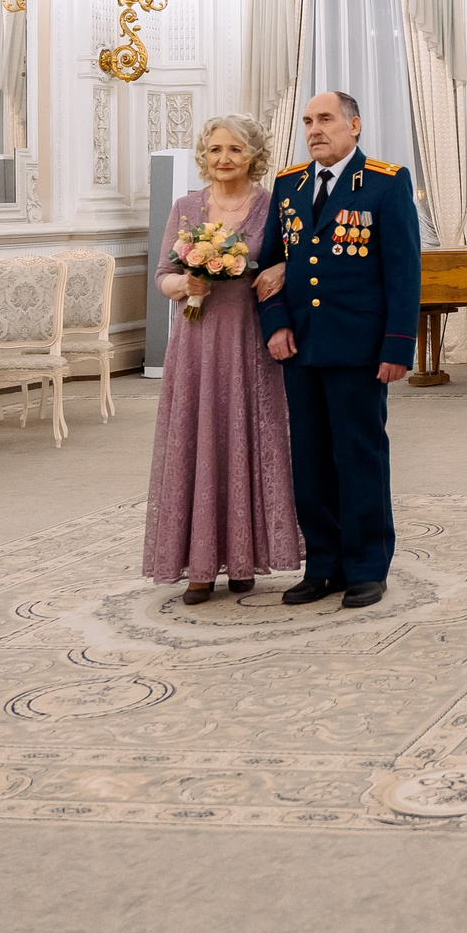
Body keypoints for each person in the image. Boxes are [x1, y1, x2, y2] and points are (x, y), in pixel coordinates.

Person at [252, 92, 421, 609]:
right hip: (300, 347)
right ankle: (323, 565)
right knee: (309, 460)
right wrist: (275, 326)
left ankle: (368, 565)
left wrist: (398, 345)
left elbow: (403, 270)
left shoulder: (387, 183)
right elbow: (268, 266)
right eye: (308, 121)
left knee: (359, 455)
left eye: (325, 119)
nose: (314, 129)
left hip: (359, 347)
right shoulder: (288, 185)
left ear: (355, 125)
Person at [143, 115, 302, 603]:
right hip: (196, 340)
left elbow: (300, 259)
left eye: (235, 150)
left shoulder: (274, 205)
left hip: (252, 339)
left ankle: (243, 558)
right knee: (198, 439)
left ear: (253, 155)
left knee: (247, 438)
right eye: (214, 150)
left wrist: (280, 266)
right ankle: (198, 566)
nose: (224, 159)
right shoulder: (187, 207)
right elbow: (163, 274)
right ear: (203, 155)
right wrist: (183, 285)